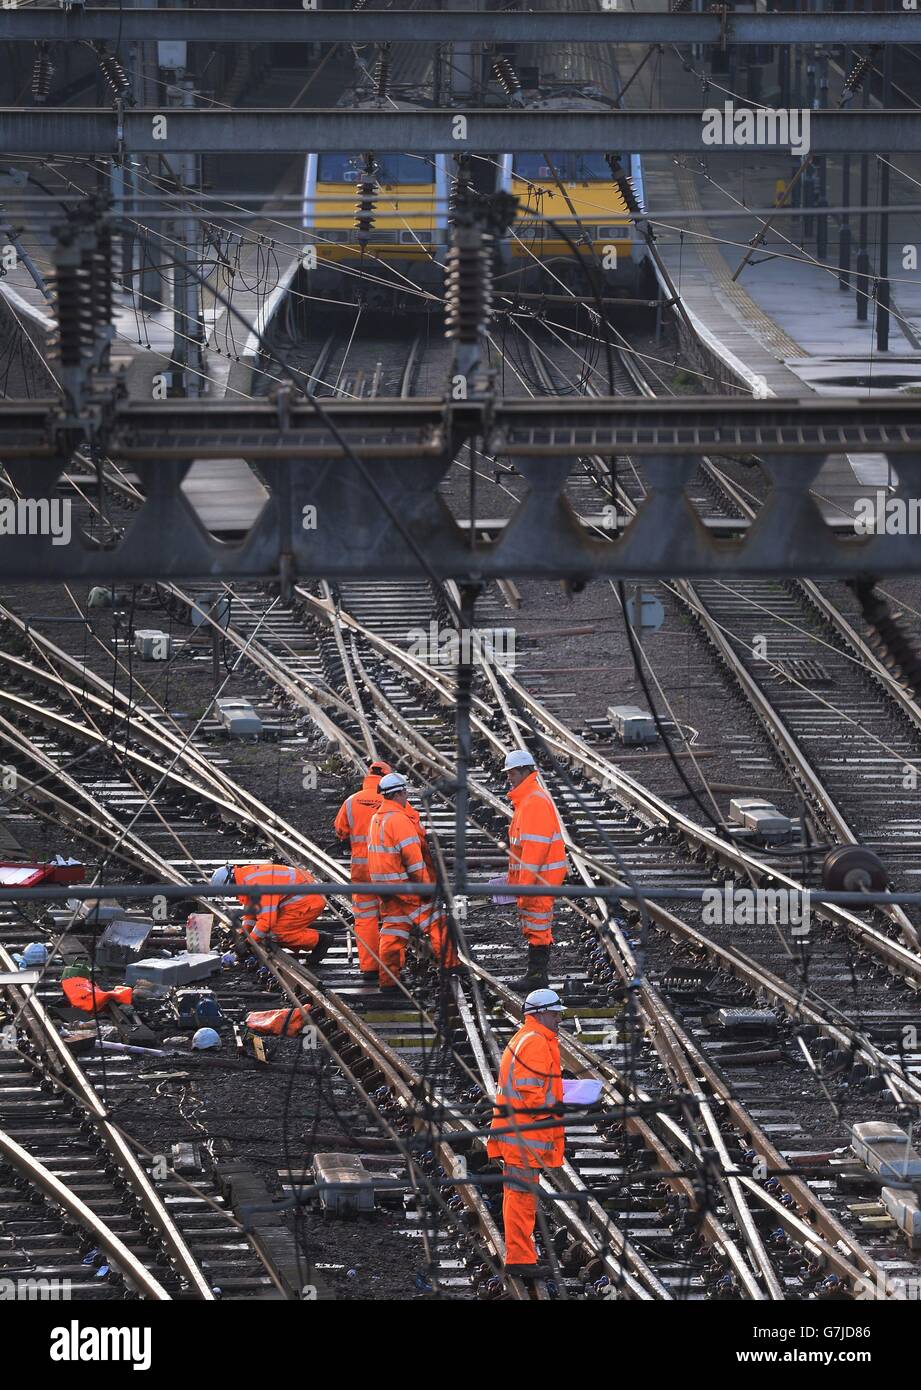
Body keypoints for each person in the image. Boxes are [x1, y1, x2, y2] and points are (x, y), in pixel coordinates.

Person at [487, 987, 565, 1278]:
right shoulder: (535, 1042)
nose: (559, 1019)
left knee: (519, 1196)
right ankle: (520, 1259)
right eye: (555, 1013)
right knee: (521, 1199)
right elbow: (530, 1090)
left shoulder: (528, 1037)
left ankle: (522, 1255)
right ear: (540, 1013)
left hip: (518, 1135)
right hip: (524, 1137)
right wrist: (551, 1115)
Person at [367, 771, 458, 990]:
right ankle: (450, 966)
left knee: (393, 931)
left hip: (385, 888)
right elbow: (413, 859)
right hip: (405, 886)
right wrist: (425, 886)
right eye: (405, 792)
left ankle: (388, 980)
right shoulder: (399, 820)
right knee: (436, 922)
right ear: (398, 794)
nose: (406, 795)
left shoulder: (376, 819)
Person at [503, 749, 568, 993]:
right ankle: (536, 974)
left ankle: (537, 976)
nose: (509, 777)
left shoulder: (533, 802)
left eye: (512, 773)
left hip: (539, 879)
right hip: (537, 879)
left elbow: (534, 851)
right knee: (536, 926)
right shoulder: (527, 799)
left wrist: (525, 887)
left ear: (524, 772)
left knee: (539, 927)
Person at [334, 760, 392, 981]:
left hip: (361, 869)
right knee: (392, 917)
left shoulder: (351, 801)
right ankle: (391, 968)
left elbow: (340, 830)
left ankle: (369, 967)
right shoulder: (393, 801)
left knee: (365, 918)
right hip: (387, 868)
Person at [210, 862, 331, 965]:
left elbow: (266, 923)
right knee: (267, 933)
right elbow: (252, 913)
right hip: (299, 898)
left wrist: (247, 944)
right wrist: (243, 934)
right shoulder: (247, 878)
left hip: (308, 900)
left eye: (229, 893)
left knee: (276, 933)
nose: (232, 896)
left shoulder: (257, 886)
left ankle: (320, 941)